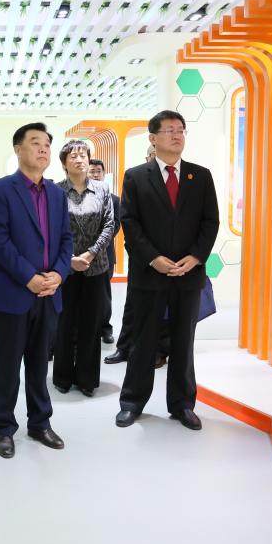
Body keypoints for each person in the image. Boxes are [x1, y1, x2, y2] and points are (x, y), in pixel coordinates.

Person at [115, 111, 219, 431]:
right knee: (143, 341)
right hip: (150, 274)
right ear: (153, 138)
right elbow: (130, 223)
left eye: (181, 130)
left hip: (189, 274)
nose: (177, 135)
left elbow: (210, 222)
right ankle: (132, 403)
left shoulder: (200, 176)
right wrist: (153, 258)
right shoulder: (136, 176)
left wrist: (196, 257)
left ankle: (183, 404)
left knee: (183, 342)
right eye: (170, 130)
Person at [0, 123, 73, 459]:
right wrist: (29, 277)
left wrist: (59, 274)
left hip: (49, 293)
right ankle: (4, 428)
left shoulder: (57, 194)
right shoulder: (0, 190)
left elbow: (66, 239)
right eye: (35, 142)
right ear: (18, 149)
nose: (43, 148)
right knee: (8, 366)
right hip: (14, 292)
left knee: (39, 365)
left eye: (47, 143)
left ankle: (40, 422)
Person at [52, 142, 115, 397]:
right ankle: (63, 376)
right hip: (65, 268)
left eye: (83, 155)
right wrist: (70, 259)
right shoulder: (55, 191)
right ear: (64, 163)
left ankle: (87, 378)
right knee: (65, 322)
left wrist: (90, 253)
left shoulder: (102, 189)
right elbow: (50, 230)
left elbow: (109, 225)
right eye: (73, 156)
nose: (79, 159)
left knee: (92, 323)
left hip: (95, 266)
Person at [104, 143, 170, 369]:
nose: (157, 157)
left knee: (166, 307)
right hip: (143, 255)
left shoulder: (180, 180)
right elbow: (129, 219)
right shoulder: (137, 178)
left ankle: (160, 351)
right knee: (133, 305)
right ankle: (125, 347)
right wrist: (147, 254)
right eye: (153, 154)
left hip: (173, 258)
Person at [88, 158, 120, 344]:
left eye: (98, 171)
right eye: (91, 171)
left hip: (105, 255)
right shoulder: (80, 197)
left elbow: (115, 227)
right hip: (82, 255)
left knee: (104, 295)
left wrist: (96, 245)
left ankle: (105, 329)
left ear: (103, 174)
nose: (95, 174)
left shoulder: (114, 200)